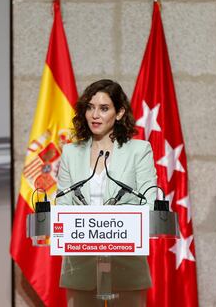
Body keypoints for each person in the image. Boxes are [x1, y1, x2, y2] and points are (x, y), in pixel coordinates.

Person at [57, 79, 157, 307]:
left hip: (126, 266)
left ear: (119, 113)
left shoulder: (139, 150)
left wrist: (109, 222)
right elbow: (62, 205)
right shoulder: (70, 153)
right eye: (90, 107)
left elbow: (149, 203)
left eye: (104, 108)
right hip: (80, 266)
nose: (95, 115)